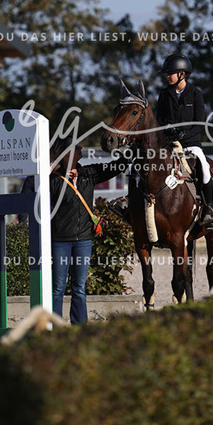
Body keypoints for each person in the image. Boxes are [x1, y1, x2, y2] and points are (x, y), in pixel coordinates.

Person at [50, 136, 128, 324]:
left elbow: (116, 167)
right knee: (58, 288)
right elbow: (30, 191)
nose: (81, 147)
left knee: (79, 287)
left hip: (84, 239)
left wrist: (129, 151)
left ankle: (80, 327)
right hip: (60, 240)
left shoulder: (88, 173)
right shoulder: (52, 180)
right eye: (76, 146)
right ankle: (54, 326)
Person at [156, 53, 213, 227]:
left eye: (170, 73)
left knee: (204, 168)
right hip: (169, 144)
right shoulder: (164, 94)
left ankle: (208, 209)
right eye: (167, 74)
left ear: (182, 74)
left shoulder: (195, 94)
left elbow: (199, 123)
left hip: (191, 144)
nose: (167, 76)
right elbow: (159, 120)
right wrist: (167, 131)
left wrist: (184, 135)